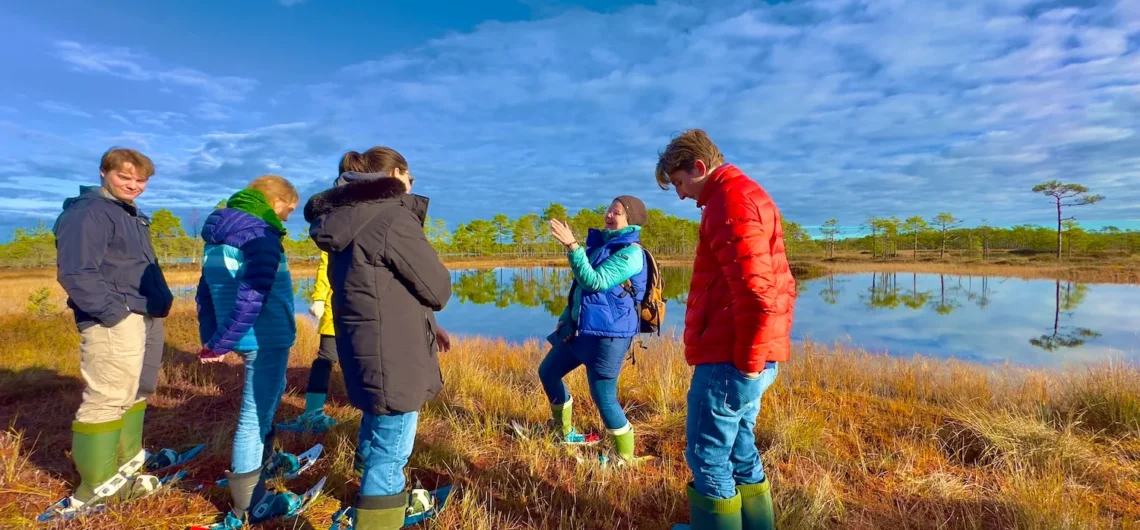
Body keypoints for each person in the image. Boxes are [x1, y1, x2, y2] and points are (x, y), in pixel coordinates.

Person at [655, 129, 796, 530]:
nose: (682, 195)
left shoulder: (729, 202)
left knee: (707, 455)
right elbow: (782, 285)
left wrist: (749, 364)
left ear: (698, 167)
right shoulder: (749, 195)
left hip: (730, 358)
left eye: (680, 183)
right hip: (750, 353)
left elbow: (758, 294)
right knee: (739, 448)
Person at [305, 147, 452, 529]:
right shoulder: (390, 219)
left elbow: (376, 289)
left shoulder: (347, 219)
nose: (412, 185)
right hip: (394, 352)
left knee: (377, 419)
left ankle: (374, 497)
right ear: (397, 175)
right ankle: (379, 516)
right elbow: (437, 288)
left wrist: (429, 325)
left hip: (366, 344)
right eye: (411, 178)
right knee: (392, 447)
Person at [47, 147, 174, 517]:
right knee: (108, 396)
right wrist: (114, 314)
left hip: (145, 314)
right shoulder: (88, 212)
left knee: (136, 390)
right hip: (115, 320)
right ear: (104, 172)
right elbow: (75, 272)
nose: (133, 185)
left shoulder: (129, 214)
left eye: (141, 180)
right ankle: (96, 488)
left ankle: (127, 466)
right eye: (125, 177)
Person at [194, 175, 304, 529]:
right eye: (289, 208)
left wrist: (215, 337)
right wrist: (222, 341)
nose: (288, 217)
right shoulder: (261, 234)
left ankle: (264, 463)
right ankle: (250, 505)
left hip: (244, 336)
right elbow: (252, 294)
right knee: (253, 418)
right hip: (266, 336)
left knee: (264, 405)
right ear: (276, 202)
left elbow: (204, 294)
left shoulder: (218, 237)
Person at [539, 195, 649, 463]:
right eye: (608, 210)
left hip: (609, 336)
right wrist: (567, 316)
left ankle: (625, 458)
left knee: (603, 397)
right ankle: (564, 432)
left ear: (630, 220)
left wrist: (572, 245)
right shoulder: (602, 246)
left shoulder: (631, 253)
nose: (609, 215)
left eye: (617, 212)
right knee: (549, 372)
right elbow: (579, 288)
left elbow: (594, 282)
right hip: (582, 330)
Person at [276, 249, 339, 434]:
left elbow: (326, 267)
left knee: (328, 360)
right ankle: (312, 415)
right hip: (342, 311)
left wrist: (320, 298)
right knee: (326, 360)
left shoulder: (337, 229)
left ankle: (312, 415)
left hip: (352, 311)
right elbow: (326, 268)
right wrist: (319, 299)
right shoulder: (338, 233)